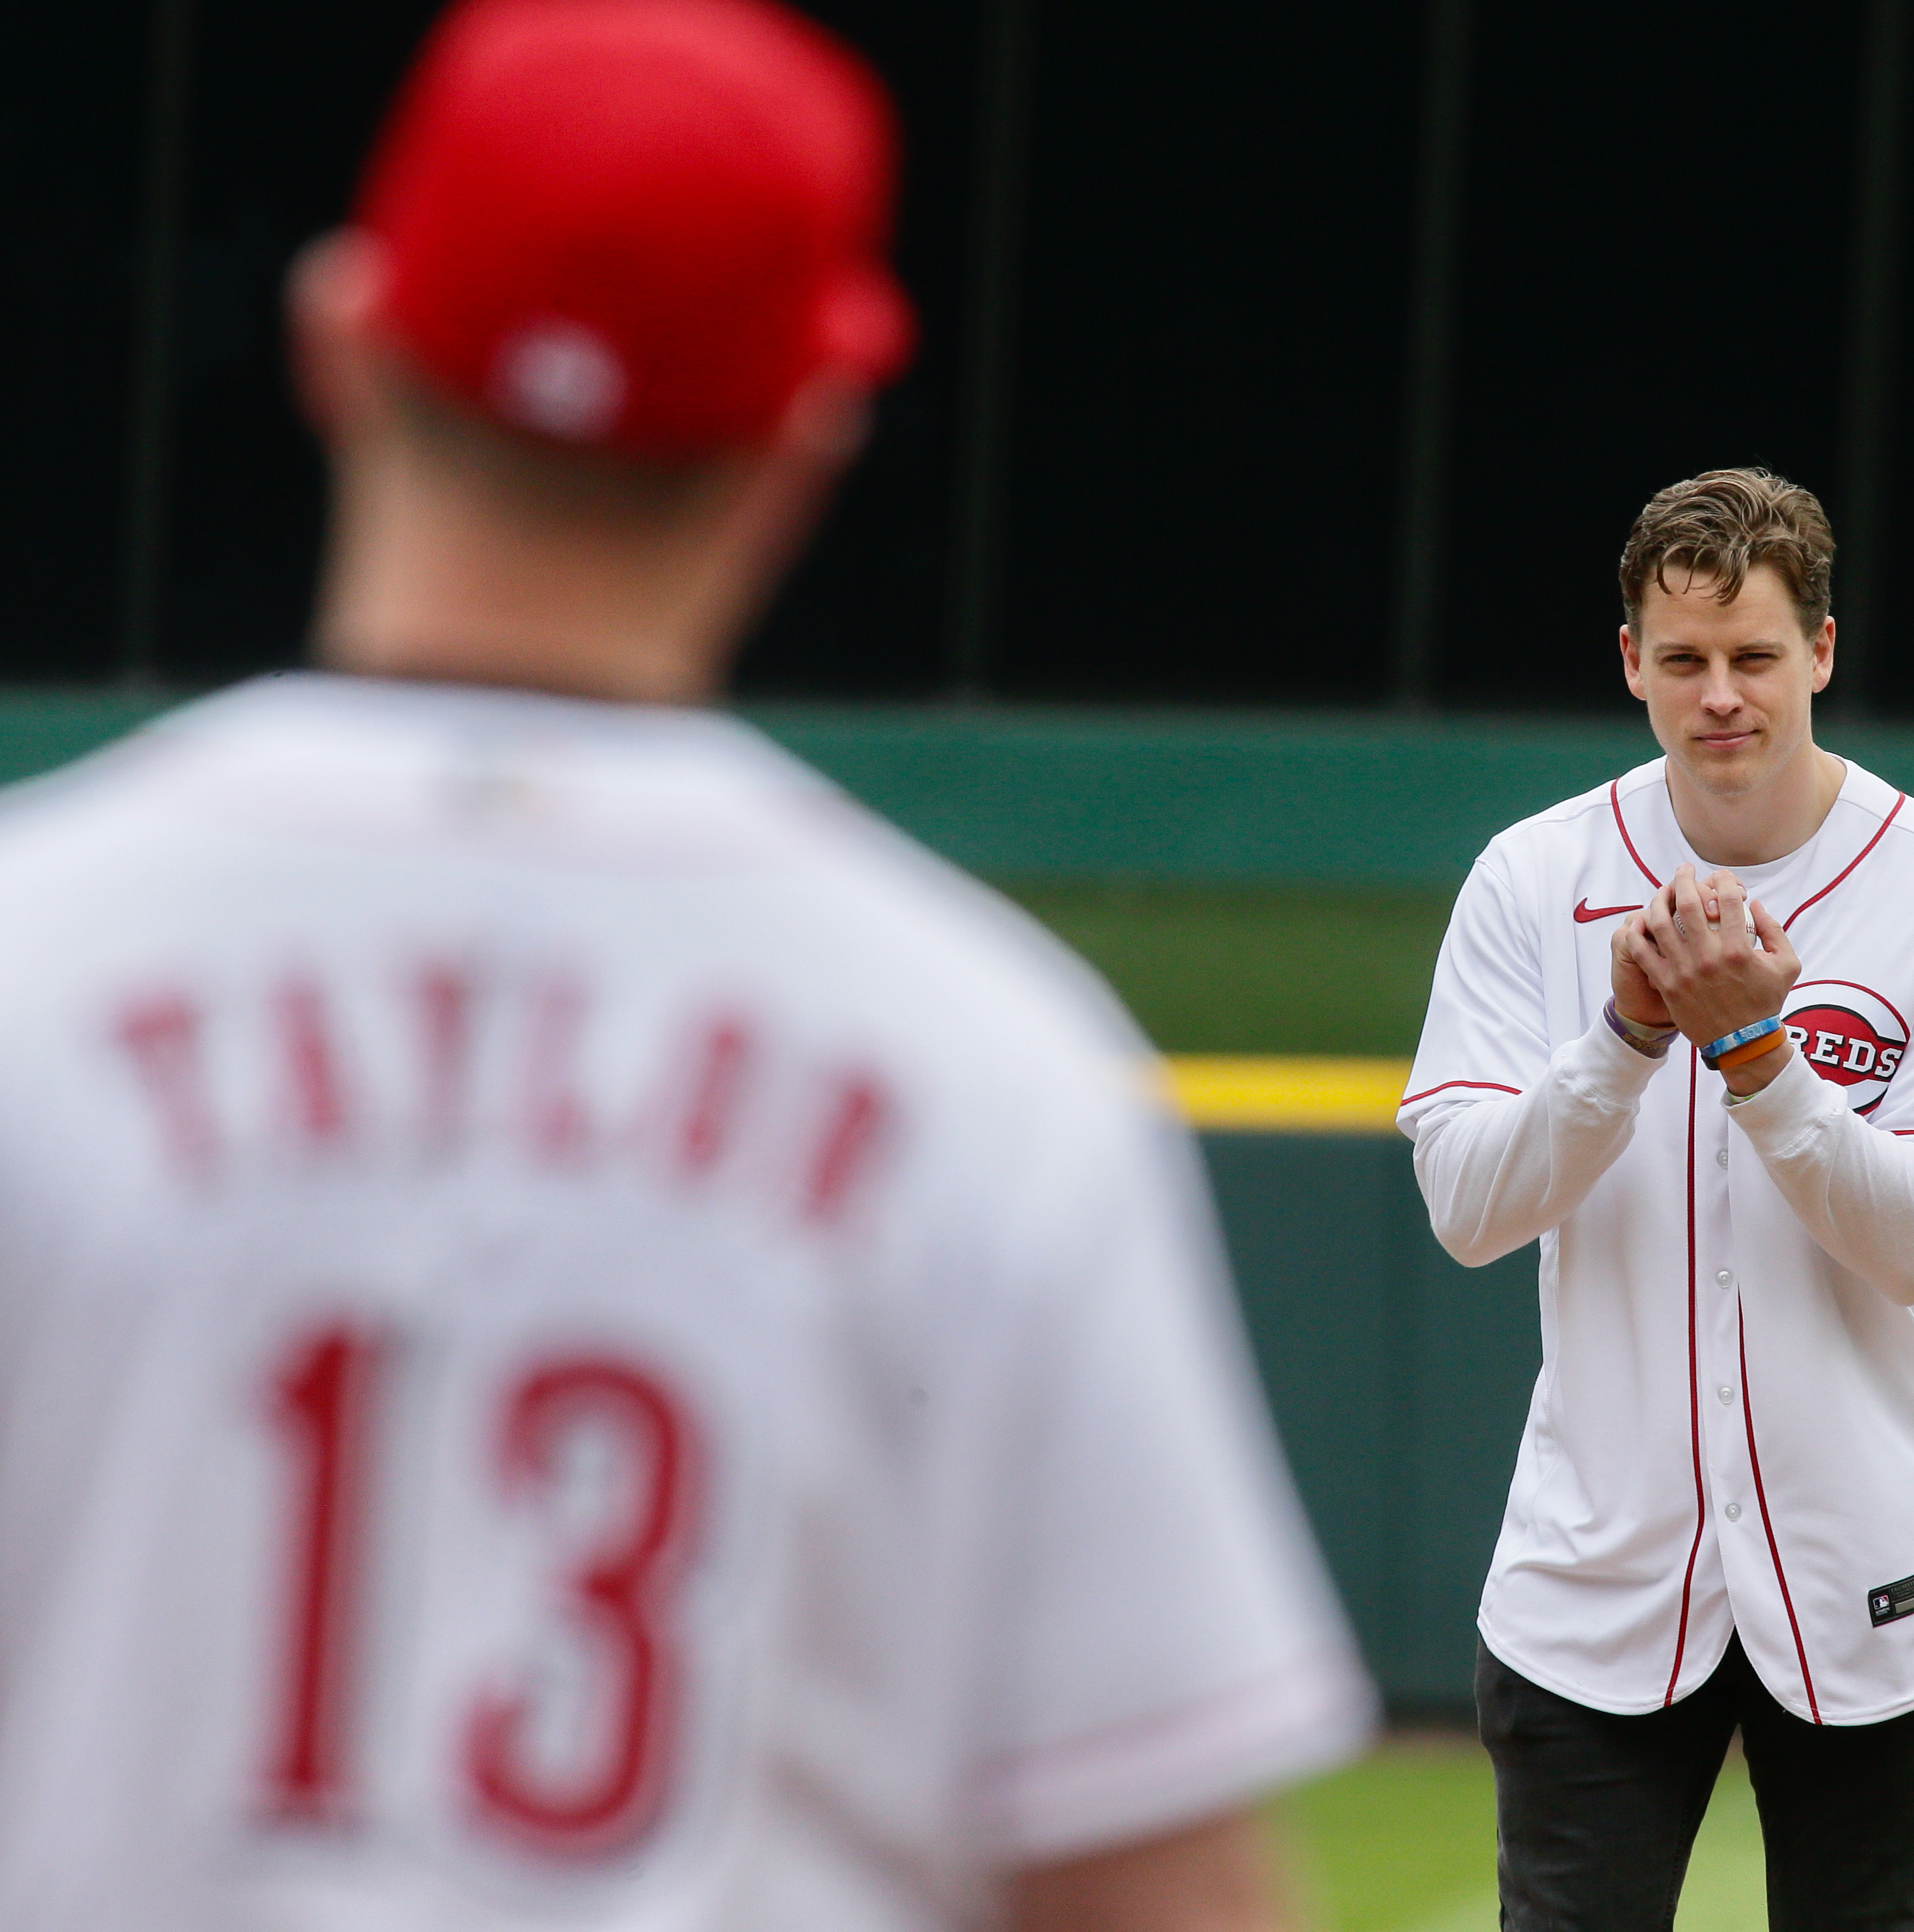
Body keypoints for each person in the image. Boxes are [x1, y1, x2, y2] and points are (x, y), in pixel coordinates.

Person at [0, 3, 1371, 1926]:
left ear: (341, 334)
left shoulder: (28, 955)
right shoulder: (984, 1062)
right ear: (807, 431)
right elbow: (1158, 1893)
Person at [1399, 469, 1914, 1931]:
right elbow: (1468, 1211)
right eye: (1682, 659)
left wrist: (1759, 1057)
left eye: (1755, 655)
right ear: (1631, 662)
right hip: (1601, 1571)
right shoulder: (1532, 876)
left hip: (1865, 1564)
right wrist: (1624, 1040)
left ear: (1822, 650)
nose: (1721, 697)